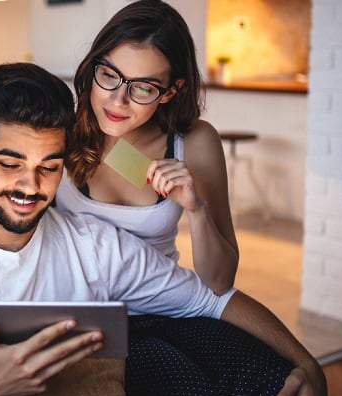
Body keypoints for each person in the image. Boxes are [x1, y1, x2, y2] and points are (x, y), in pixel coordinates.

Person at [0, 62, 329, 396]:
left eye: (48, 167)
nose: (29, 186)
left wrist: (307, 363)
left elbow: (213, 298)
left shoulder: (94, 246)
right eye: (10, 163)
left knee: (260, 381)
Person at [58, 0, 237, 294]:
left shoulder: (194, 142)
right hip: (74, 305)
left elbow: (220, 282)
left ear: (170, 91)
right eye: (109, 75)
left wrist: (197, 211)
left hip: (159, 304)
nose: (118, 100)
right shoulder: (60, 130)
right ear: (93, 67)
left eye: (142, 87)